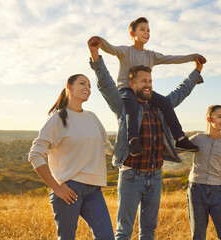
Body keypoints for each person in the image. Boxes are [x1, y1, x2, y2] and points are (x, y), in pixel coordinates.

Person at [88, 37, 205, 240]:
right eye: (143, 81)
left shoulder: (160, 106)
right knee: (124, 231)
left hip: (155, 176)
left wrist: (197, 71)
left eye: (150, 81)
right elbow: (106, 85)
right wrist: (95, 56)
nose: (148, 85)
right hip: (131, 176)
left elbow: (181, 91)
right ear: (131, 83)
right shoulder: (124, 106)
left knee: (148, 231)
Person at [89, 17, 206, 156]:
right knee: (132, 103)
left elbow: (172, 58)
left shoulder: (151, 55)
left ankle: (180, 138)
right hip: (126, 89)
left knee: (165, 102)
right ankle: (133, 140)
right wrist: (99, 41)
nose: (146, 32)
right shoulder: (126, 51)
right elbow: (111, 49)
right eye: (142, 29)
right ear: (132, 34)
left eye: (148, 30)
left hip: (144, 91)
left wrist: (193, 57)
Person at [28, 74, 115, 240]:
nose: (87, 88)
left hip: (94, 190)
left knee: (107, 237)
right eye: (82, 83)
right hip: (69, 189)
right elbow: (35, 154)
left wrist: (125, 156)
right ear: (69, 86)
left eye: (89, 86)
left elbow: (107, 146)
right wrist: (57, 188)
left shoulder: (92, 117)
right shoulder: (57, 119)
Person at [187, 105, 221, 240]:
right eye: (220, 116)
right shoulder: (197, 139)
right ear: (209, 119)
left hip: (217, 193)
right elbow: (176, 150)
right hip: (196, 190)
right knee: (198, 236)